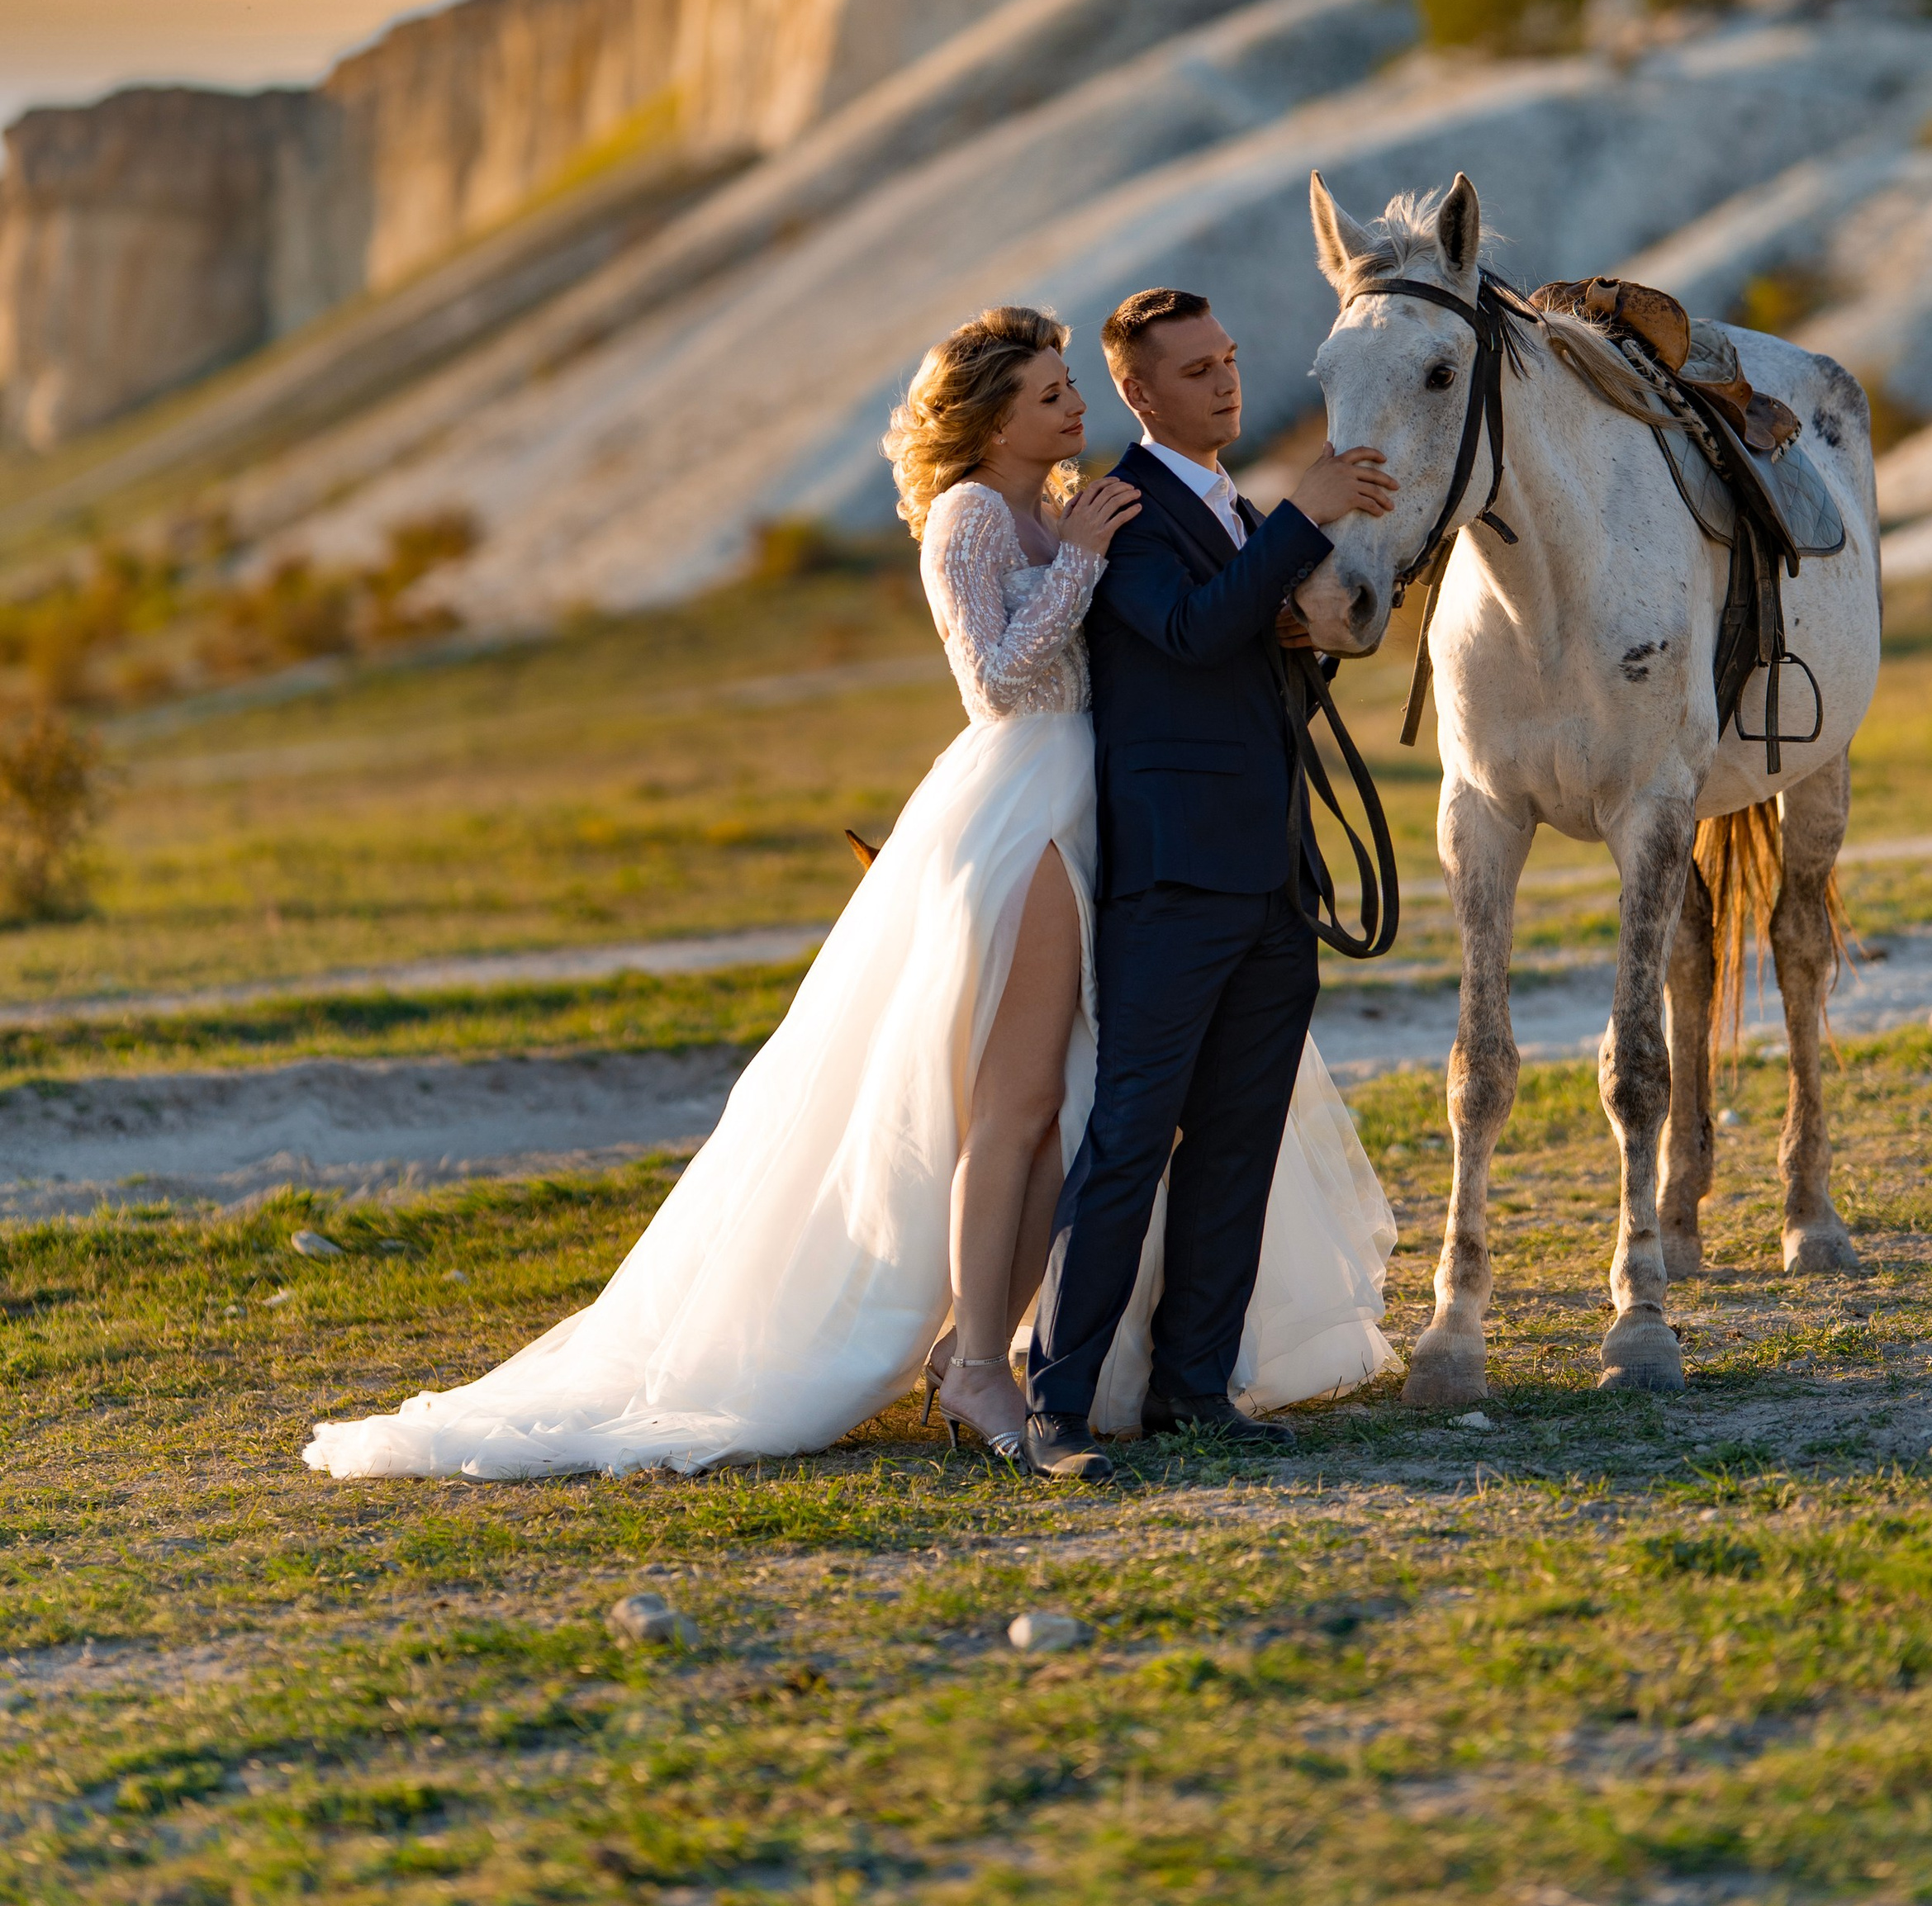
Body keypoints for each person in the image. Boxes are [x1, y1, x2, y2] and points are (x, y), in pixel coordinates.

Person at [303, 302, 1393, 1483]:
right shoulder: (977, 519)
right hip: (1030, 807)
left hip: (1106, 805)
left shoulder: (1068, 504)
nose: (1072, 405)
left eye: (1070, 386)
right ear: (990, 422)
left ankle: (1029, 1350)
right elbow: (998, 682)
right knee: (1021, 1102)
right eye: (1047, 395)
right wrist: (1082, 560)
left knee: (1069, 1103)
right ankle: (983, 1363)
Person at [1024, 287, 1398, 1483]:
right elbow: (1186, 633)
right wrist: (1306, 517)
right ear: (1138, 394)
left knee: (1238, 1141)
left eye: (1229, 360)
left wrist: (1301, 639)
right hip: (1175, 881)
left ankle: (1194, 1386)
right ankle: (1056, 1405)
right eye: (1196, 370)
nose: (1226, 382)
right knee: (1130, 1142)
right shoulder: (1122, 514)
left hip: (1272, 876)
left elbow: (1231, 664)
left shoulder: (1236, 511)